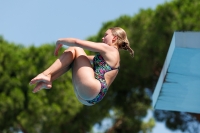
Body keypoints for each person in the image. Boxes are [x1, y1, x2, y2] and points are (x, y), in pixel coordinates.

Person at [29, 27, 134, 106]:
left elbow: (77, 42)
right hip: (92, 98)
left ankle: (46, 74)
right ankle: (48, 79)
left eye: (106, 35)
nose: (103, 38)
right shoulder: (114, 57)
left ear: (114, 38)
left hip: (92, 87)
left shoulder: (109, 49)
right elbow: (82, 58)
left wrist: (60, 41)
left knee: (75, 48)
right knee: (73, 56)